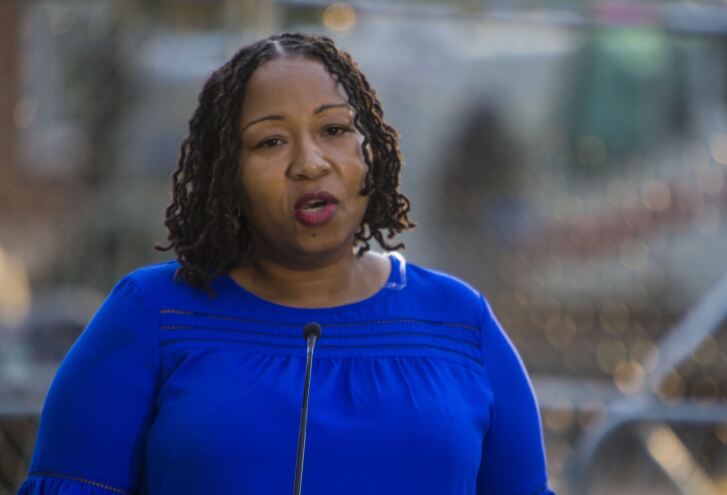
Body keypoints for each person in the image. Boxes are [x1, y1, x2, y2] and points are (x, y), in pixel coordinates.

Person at [17, 33, 555, 494]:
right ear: (227, 174)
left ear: (371, 149)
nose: (310, 162)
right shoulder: (151, 316)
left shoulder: (459, 322)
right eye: (271, 141)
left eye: (335, 130)